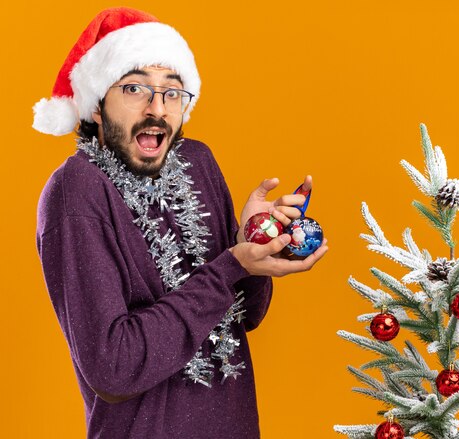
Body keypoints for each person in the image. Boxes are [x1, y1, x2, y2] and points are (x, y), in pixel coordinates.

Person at [33, 7, 328, 438]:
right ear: (96, 106)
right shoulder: (76, 192)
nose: (158, 109)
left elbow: (246, 315)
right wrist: (232, 264)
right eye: (135, 88)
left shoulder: (197, 161)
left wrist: (255, 242)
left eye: (173, 92)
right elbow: (114, 367)